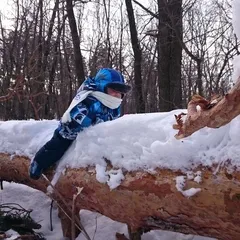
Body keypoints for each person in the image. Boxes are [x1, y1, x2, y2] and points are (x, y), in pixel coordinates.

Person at [29, 68, 131, 180]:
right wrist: (89, 129)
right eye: (113, 90)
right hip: (70, 134)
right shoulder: (90, 101)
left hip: (99, 137)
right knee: (57, 147)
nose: (116, 94)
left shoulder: (114, 105)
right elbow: (74, 122)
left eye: (120, 92)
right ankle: (39, 162)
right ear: (103, 87)